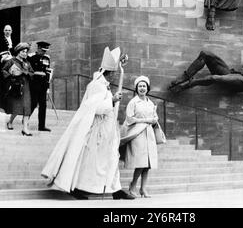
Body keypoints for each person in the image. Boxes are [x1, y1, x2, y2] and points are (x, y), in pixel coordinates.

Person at [41, 46, 135, 200]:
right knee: (90, 161)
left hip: (107, 129)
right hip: (96, 130)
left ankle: (116, 189)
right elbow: (94, 107)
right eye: (113, 73)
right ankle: (78, 187)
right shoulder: (96, 85)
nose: (114, 76)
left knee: (111, 157)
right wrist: (112, 100)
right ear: (108, 72)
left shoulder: (104, 85)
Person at [120, 76, 159, 198]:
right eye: (140, 86)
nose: (142, 88)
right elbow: (130, 119)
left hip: (149, 134)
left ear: (148, 88)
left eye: (144, 86)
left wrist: (153, 120)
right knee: (141, 162)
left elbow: (155, 118)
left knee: (148, 163)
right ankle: (133, 186)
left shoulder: (151, 103)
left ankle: (143, 188)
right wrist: (148, 120)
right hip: (137, 134)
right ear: (136, 88)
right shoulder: (133, 102)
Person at [1, 42, 34, 135]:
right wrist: (12, 75)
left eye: (26, 52)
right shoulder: (12, 61)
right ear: (19, 52)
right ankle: (10, 121)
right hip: (16, 85)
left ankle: (25, 129)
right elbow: (4, 70)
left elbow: (32, 73)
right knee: (17, 107)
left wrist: (27, 73)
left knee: (27, 107)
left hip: (26, 86)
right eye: (23, 52)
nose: (25, 54)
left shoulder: (27, 63)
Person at [28, 41, 52, 132]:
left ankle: (41, 126)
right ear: (38, 48)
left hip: (43, 85)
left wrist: (48, 86)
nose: (44, 52)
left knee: (43, 105)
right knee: (33, 104)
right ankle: (25, 120)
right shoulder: (31, 57)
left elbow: (48, 72)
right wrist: (37, 73)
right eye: (42, 50)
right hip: (34, 84)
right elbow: (29, 71)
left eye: (45, 51)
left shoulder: (47, 58)